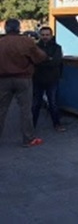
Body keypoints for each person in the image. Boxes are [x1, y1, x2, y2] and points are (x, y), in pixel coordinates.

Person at [0, 18, 47, 147]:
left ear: (6, 28)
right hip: (23, 79)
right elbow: (40, 57)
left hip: (2, 80)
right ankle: (28, 139)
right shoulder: (26, 42)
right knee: (25, 110)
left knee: (1, 110)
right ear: (19, 28)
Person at [32, 26, 65, 132]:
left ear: (51, 35)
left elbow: (56, 62)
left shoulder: (57, 47)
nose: (45, 37)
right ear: (40, 35)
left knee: (53, 103)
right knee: (35, 104)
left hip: (52, 79)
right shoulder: (35, 47)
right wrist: (48, 59)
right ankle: (31, 126)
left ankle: (57, 124)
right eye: (43, 35)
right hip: (37, 79)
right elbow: (33, 61)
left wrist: (42, 60)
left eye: (47, 35)